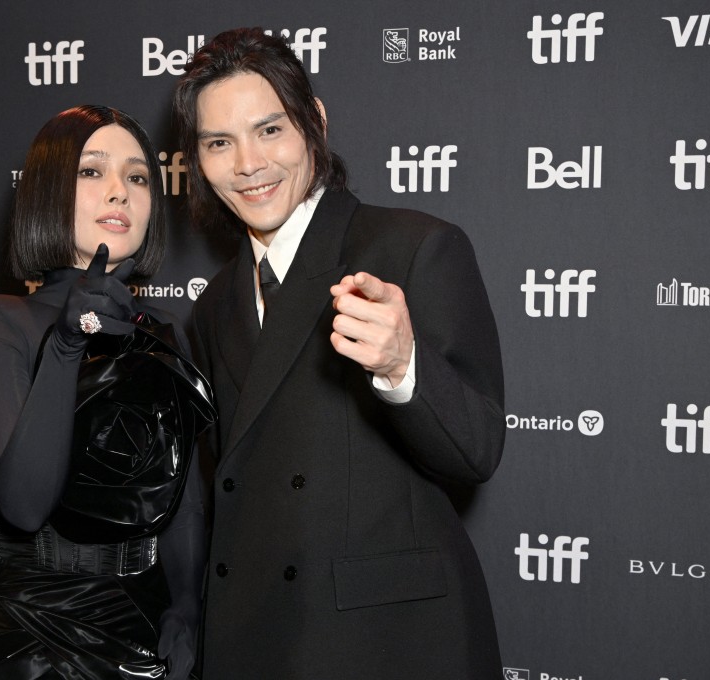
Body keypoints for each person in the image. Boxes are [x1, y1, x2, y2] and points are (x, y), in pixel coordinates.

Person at [173, 28, 506, 678]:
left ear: (314, 123)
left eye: (270, 130)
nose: (247, 163)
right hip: (258, 639)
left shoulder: (413, 248)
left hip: (385, 643)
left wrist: (402, 366)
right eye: (219, 143)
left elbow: (478, 449)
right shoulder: (213, 305)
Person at [0, 105, 212, 680]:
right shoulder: (0, 321)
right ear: (49, 191)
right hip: (30, 630)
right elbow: (23, 503)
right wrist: (68, 346)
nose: (119, 192)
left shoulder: (166, 333)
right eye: (92, 172)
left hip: (142, 619)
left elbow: (183, 502)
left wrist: (187, 607)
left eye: (138, 176)